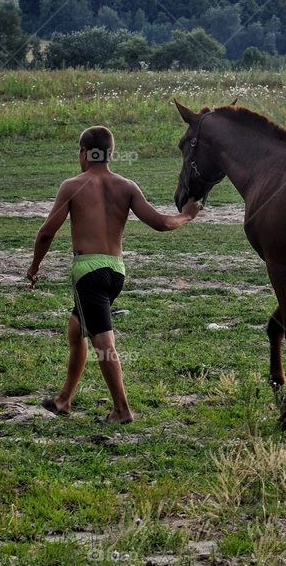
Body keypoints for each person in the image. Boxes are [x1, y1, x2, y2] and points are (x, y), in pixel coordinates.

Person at [27, 126, 202, 423]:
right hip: (115, 272)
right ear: (111, 153)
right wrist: (186, 215)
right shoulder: (127, 186)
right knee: (76, 329)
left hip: (89, 274)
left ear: (84, 153)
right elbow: (160, 223)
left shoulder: (72, 186)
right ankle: (64, 399)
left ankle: (122, 409)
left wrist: (34, 267)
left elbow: (46, 234)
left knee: (104, 344)